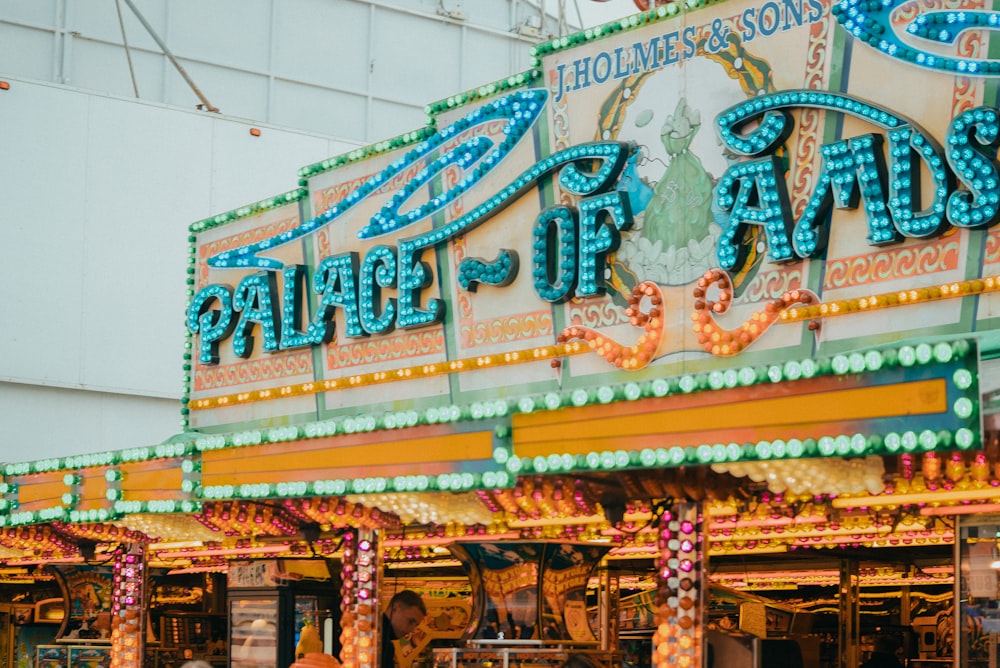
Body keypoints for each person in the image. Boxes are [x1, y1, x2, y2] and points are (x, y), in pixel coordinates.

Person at [381, 590, 427, 668]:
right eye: (410, 621)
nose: (412, 630)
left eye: (416, 625)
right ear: (395, 607)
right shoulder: (379, 641)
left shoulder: (384, 639)